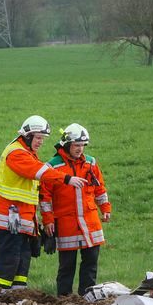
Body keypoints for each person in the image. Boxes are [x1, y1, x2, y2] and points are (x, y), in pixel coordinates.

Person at [0, 115, 87, 290]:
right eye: (39, 137)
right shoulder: (17, 153)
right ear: (28, 136)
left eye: (43, 138)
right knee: (10, 256)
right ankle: (0, 294)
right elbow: (39, 172)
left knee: (23, 255)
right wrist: (66, 178)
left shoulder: (27, 153)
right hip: (9, 216)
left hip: (20, 216)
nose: (41, 142)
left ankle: (18, 293)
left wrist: (37, 226)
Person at [39, 123, 113, 296]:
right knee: (67, 265)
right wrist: (48, 220)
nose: (80, 149)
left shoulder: (90, 163)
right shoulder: (52, 167)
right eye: (76, 145)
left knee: (91, 262)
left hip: (90, 222)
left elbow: (99, 188)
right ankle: (63, 299)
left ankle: (87, 297)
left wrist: (105, 208)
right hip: (67, 223)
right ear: (67, 145)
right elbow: (45, 197)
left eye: (82, 145)